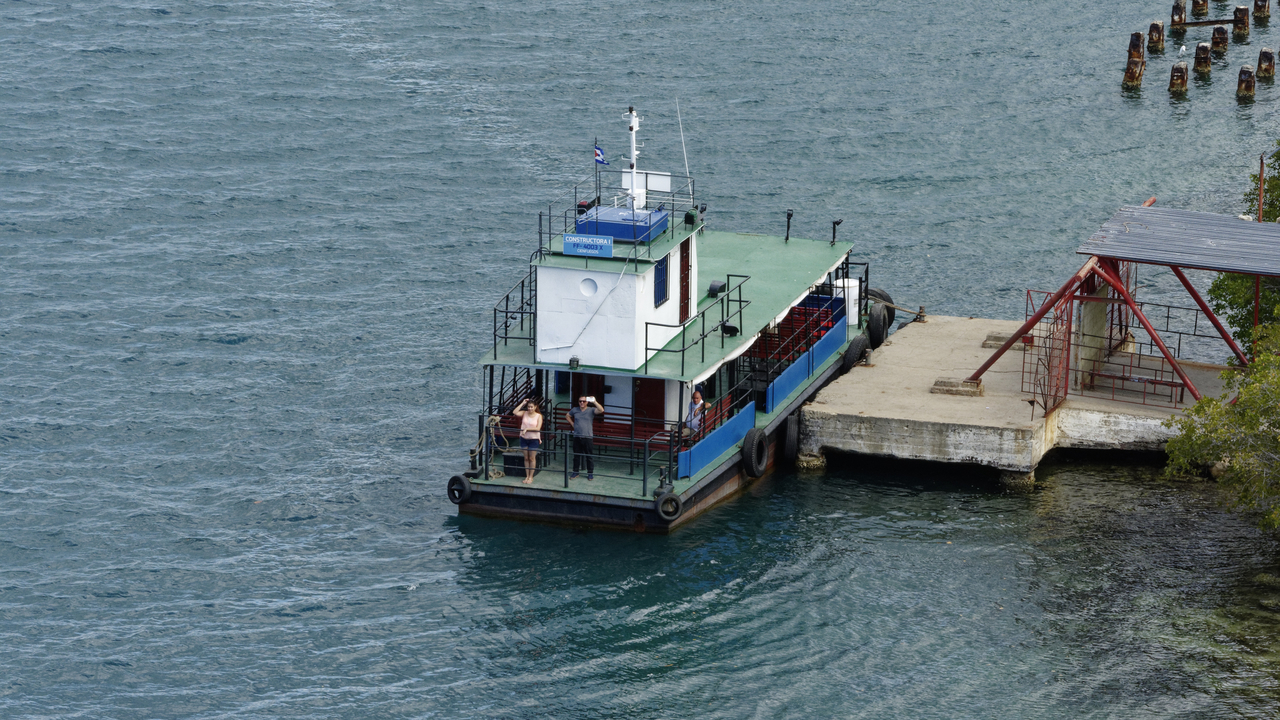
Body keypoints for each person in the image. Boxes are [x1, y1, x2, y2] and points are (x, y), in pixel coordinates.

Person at [566, 395, 604, 480]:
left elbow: (601, 410)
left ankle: (590, 473)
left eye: (584, 401)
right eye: (580, 401)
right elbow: (567, 415)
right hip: (577, 436)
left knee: (589, 456)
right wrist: (573, 424)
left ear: (587, 402)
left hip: (588, 436)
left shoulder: (591, 410)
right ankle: (575, 472)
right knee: (576, 456)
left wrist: (594, 401)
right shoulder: (575, 410)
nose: (582, 403)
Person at [513, 398, 543, 484]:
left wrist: (527, 429)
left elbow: (538, 428)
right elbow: (515, 412)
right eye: (528, 407)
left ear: (535, 407)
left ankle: (531, 477)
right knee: (526, 458)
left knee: (532, 458)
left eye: (531, 407)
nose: (529, 409)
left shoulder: (538, 416)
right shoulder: (524, 413)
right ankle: (527, 475)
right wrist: (522, 403)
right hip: (524, 438)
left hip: (533, 439)